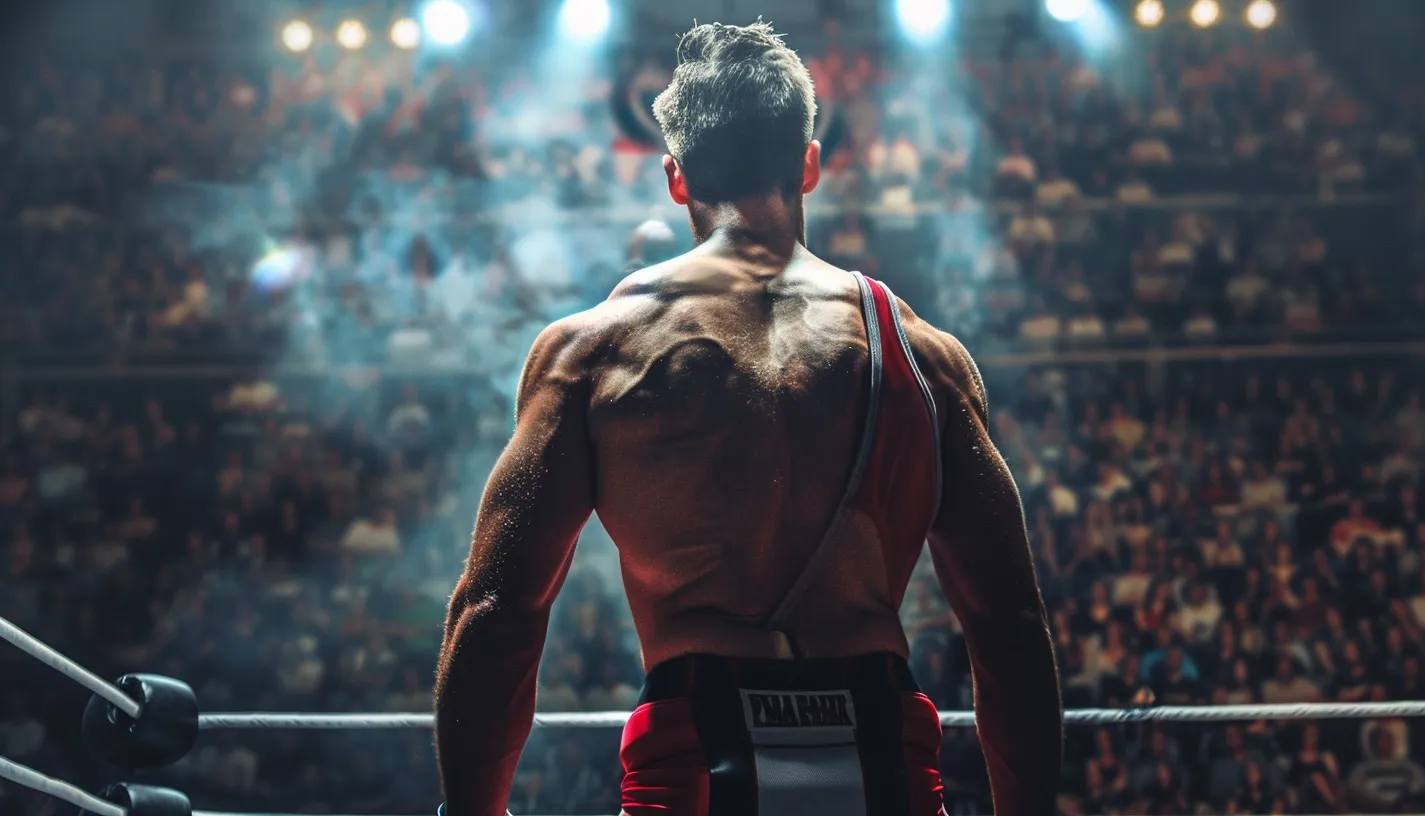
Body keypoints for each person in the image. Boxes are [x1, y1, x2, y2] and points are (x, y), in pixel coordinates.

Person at [434, 21, 1062, 816]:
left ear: (675, 177)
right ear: (808, 164)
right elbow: (1007, 620)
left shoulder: (593, 353)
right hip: (886, 768)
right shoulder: (923, 355)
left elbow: (496, 614)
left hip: (694, 767)